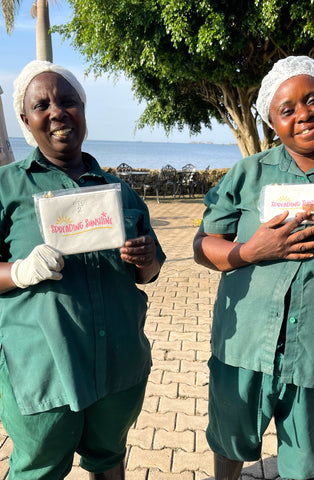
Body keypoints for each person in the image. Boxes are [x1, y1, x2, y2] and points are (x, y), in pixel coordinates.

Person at [193, 55, 314, 480]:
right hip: (244, 347)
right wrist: (249, 251)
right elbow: (201, 245)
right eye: (287, 110)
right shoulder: (248, 174)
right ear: (272, 121)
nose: (303, 114)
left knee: (304, 464)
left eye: (313, 99)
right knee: (230, 441)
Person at [0, 60, 166, 480]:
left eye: (68, 101)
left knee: (108, 457)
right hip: (42, 369)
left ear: (83, 111)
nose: (57, 111)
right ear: (26, 120)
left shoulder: (119, 189)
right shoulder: (7, 189)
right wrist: (19, 271)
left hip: (118, 364)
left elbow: (150, 272)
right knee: (39, 468)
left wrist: (147, 261)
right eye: (42, 105)